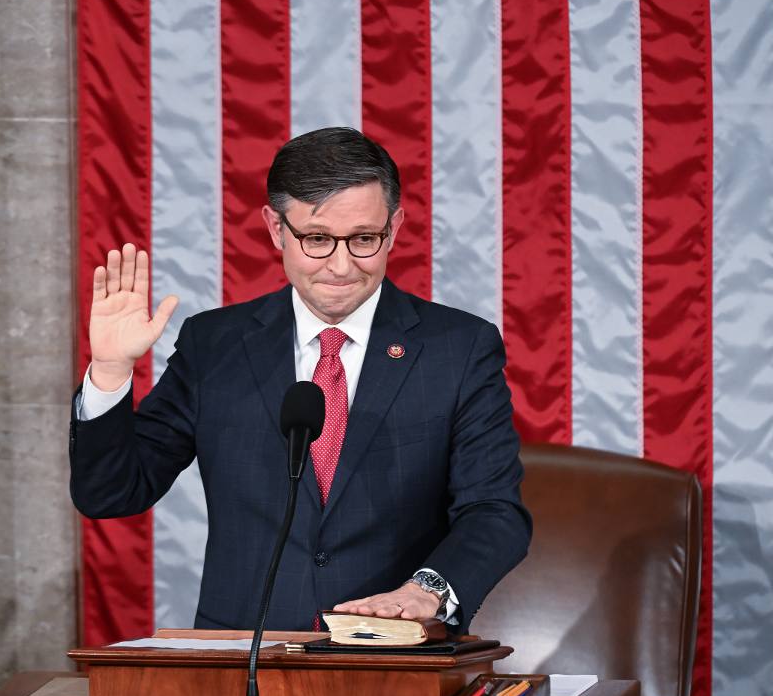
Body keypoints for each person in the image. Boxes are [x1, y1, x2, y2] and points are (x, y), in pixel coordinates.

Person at [70, 126, 531, 632]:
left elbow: (493, 511)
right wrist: (111, 372)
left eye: (363, 239)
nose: (340, 265)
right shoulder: (215, 346)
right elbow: (112, 494)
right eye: (316, 239)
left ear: (394, 228)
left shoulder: (458, 348)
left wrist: (425, 592)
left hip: (396, 655)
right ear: (275, 229)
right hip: (244, 658)